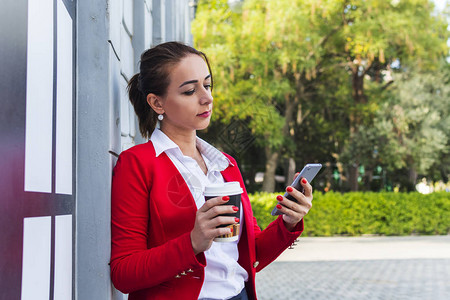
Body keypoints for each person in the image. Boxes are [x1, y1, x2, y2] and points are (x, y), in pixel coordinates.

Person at [110, 41, 314, 300]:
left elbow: (252, 252)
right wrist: (193, 241)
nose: (207, 98)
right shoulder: (138, 163)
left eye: (207, 85)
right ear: (157, 103)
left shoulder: (224, 164)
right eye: (189, 91)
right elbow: (124, 273)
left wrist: (288, 222)